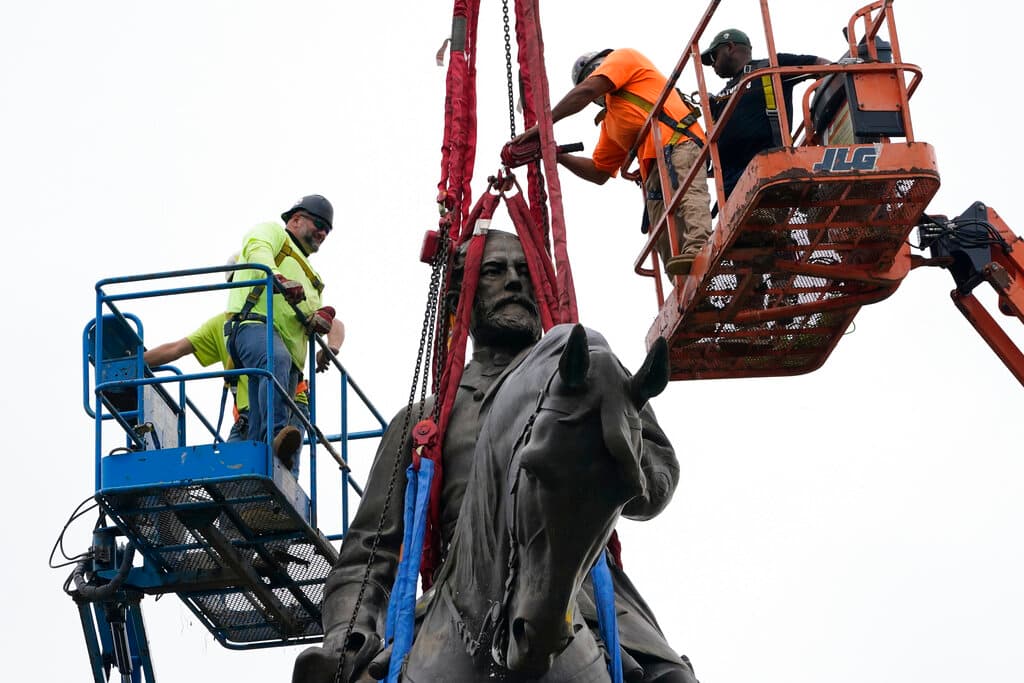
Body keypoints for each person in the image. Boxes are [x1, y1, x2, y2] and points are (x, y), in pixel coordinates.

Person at [294, 230, 697, 683]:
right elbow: (369, 551)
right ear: (458, 298)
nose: (513, 282)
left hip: (577, 584)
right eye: (494, 271)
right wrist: (350, 635)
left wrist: (623, 454)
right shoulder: (421, 422)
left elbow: (656, 480)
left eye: (525, 273)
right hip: (455, 594)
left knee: (671, 679)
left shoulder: (587, 381)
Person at [514, 48, 713, 276]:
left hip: (678, 143)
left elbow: (587, 91)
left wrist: (543, 126)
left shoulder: (624, 58)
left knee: (688, 198)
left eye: (594, 72)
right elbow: (599, 171)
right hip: (653, 171)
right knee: (661, 231)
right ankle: (684, 286)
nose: (594, 81)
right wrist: (556, 154)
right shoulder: (612, 121)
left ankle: (700, 247)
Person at [226, 194, 337, 473]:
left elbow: (321, 316)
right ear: (296, 219)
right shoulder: (274, 233)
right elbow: (257, 250)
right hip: (254, 326)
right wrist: (276, 277)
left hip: (290, 361)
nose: (323, 232)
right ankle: (276, 439)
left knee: (268, 426)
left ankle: (258, 483)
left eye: (328, 229)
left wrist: (324, 326)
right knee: (275, 360)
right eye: (319, 223)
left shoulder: (313, 277)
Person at [143, 311, 344, 450]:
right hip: (246, 418)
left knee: (279, 469)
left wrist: (331, 347)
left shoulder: (279, 311)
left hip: (287, 407)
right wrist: (131, 364)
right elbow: (175, 349)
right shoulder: (222, 324)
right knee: (232, 481)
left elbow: (334, 322)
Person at [701, 29, 830, 199]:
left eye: (713, 57)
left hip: (769, 164)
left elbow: (823, 65)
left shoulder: (769, 67)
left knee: (766, 214)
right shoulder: (721, 96)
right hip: (730, 181)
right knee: (754, 222)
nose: (713, 65)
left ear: (730, 47)